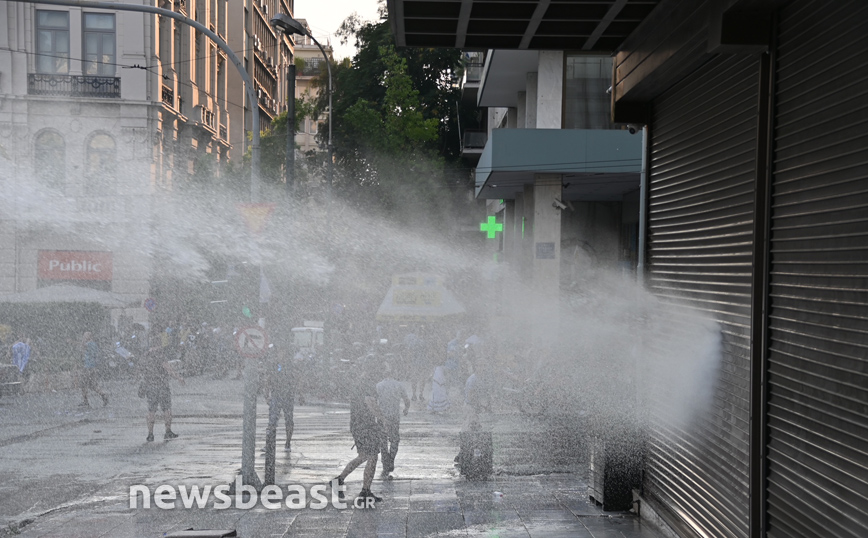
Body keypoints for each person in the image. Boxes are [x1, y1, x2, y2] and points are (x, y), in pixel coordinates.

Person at [333, 359, 386, 505]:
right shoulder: (367, 384)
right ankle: (365, 491)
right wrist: (382, 419)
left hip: (358, 424)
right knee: (372, 456)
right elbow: (370, 403)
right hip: (365, 425)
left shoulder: (360, 382)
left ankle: (340, 480)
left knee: (364, 456)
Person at [140, 336, 184, 441]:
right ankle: (168, 431)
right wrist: (178, 377)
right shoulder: (160, 354)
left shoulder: (145, 355)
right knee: (166, 409)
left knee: (151, 410)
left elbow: (140, 369)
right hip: (162, 385)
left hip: (150, 385)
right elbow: (168, 369)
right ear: (159, 344)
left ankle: (150, 434)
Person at [376, 362, 410, 474]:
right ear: (394, 374)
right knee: (394, 439)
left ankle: (385, 460)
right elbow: (406, 400)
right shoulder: (399, 385)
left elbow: (374, 401)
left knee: (383, 439)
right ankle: (391, 459)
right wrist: (406, 409)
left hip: (382, 416)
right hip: (394, 416)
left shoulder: (378, 386)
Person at [264, 342, 295, 453]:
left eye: (282, 351)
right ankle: (269, 443)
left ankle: (288, 442)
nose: (281, 354)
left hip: (288, 396)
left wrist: (300, 394)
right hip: (276, 395)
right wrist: (266, 394)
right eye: (279, 352)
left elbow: (297, 378)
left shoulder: (290, 365)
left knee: (289, 420)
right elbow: (268, 379)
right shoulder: (273, 364)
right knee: (272, 421)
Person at [79, 332, 108, 407]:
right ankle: (103, 394)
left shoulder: (88, 344)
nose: (83, 337)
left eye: (85, 336)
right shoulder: (94, 344)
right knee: (92, 385)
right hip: (93, 367)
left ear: (89, 337)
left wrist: (79, 342)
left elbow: (81, 348)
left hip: (87, 367)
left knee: (83, 384)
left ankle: (85, 401)